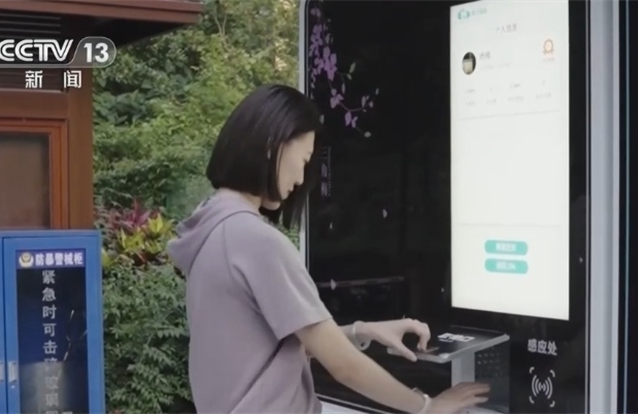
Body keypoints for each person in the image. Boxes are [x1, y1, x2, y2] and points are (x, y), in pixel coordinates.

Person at [167, 84, 489, 414]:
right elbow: (343, 366)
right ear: (273, 145)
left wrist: (363, 331)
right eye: (304, 160)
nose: (300, 178)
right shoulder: (255, 241)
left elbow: (266, 352)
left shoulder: (210, 232)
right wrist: (428, 407)